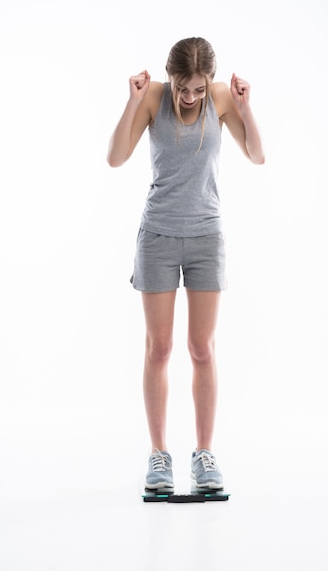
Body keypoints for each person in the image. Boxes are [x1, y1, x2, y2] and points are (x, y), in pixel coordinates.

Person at [107, 37, 264, 492]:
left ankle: (205, 455)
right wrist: (132, 102)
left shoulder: (220, 99)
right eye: (182, 88)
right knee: (158, 349)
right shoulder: (155, 97)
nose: (190, 97)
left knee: (202, 349)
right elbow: (115, 157)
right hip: (157, 235)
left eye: (198, 88)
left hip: (205, 237)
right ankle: (158, 457)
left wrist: (245, 107)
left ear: (209, 82)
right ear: (170, 78)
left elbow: (257, 155)